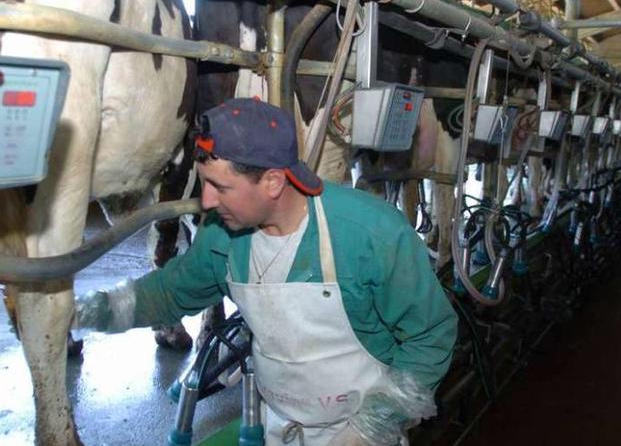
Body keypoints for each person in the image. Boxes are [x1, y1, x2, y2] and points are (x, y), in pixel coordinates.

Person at [75, 98, 458, 446]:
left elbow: (431, 336)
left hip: (361, 431)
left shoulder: (371, 233)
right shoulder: (222, 236)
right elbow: (170, 293)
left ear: (274, 181)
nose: (206, 201)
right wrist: (84, 312)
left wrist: (369, 428)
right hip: (280, 430)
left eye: (219, 187)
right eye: (205, 184)